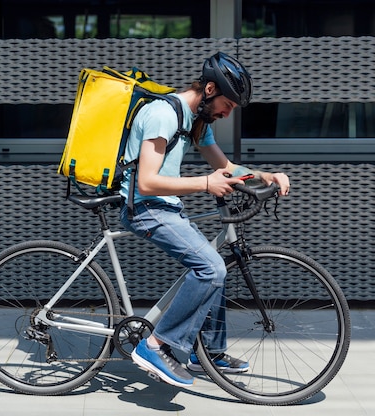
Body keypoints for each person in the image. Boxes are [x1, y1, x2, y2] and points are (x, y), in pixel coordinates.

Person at [119, 52, 291, 387]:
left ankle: (208, 351)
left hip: (166, 206)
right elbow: (147, 182)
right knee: (210, 267)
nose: (228, 113)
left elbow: (224, 168)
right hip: (144, 208)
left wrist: (266, 175)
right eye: (228, 104)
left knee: (215, 265)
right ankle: (155, 345)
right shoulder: (161, 115)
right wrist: (205, 183)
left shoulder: (195, 120)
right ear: (210, 89)